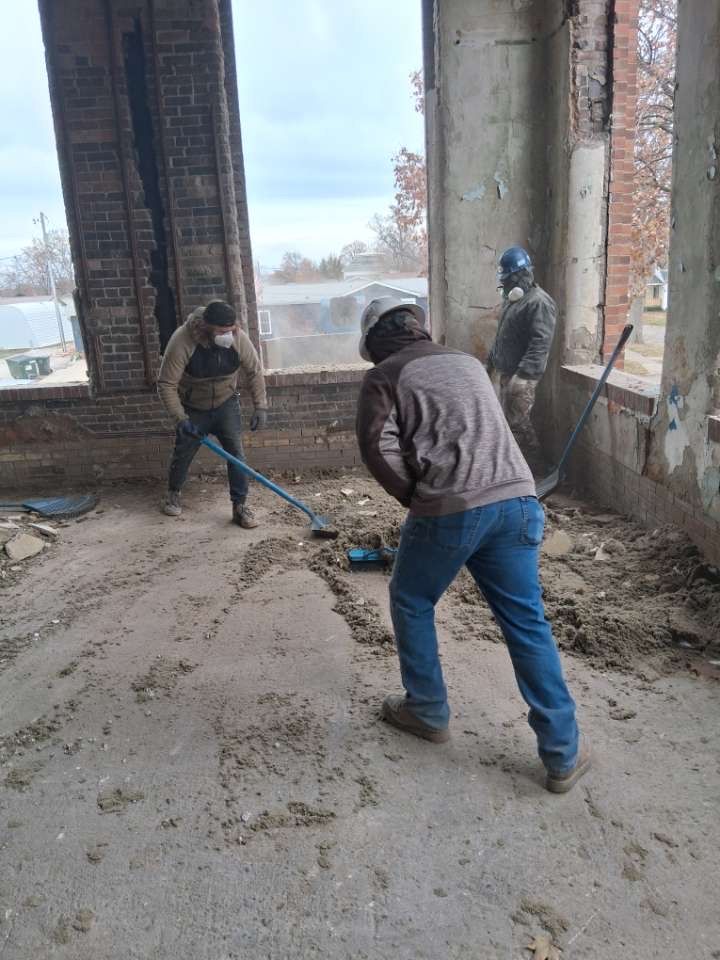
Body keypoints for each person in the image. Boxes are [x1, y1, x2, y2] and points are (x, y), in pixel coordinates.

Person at [355, 296, 589, 793]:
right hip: (519, 500)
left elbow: (378, 446)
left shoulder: (385, 375)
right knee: (526, 621)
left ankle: (427, 709)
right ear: (416, 326)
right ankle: (562, 754)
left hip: (453, 507)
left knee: (412, 599)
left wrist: (413, 494)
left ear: (376, 339)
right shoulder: (465, 362)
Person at [157, 300, 268, 528]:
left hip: (226, 403)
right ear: (207, 325)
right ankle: (173, 493)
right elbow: (166, 384)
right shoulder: (183, 340)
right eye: (221, 332)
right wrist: (180, 418)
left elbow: (254, 370)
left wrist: (261, 406)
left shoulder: (237, 337)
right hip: (194, 407)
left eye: (230, 330)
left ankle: (240, 507)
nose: (228, 335)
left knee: (236, 455)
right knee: (183, 452)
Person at [487, 246, 557, 474]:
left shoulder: (539, 303)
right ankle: (514, 470)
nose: (506, 284)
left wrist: (524, 376)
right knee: (506, 422)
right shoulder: (513, 300)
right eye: (504, 280)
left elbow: (540, 343)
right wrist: (491, 362)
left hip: (522, 376)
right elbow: (502, 336)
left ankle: (534, 472)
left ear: (522, 275)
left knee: (518, 424)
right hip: (505, 371)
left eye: (509, 279)